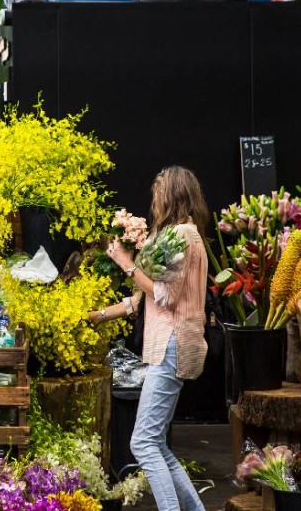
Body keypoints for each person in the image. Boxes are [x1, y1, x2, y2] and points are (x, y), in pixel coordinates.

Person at [90, 166, 209, 511]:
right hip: (171, 344)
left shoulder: (182, 236)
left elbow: (163, 296)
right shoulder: (179, 234)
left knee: (143, 443)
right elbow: (140, 301)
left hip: (171, 344)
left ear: (172, 196)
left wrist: (127, 264)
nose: (154, 201)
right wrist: (97, 315)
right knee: (155, 442)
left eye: (159, 193)